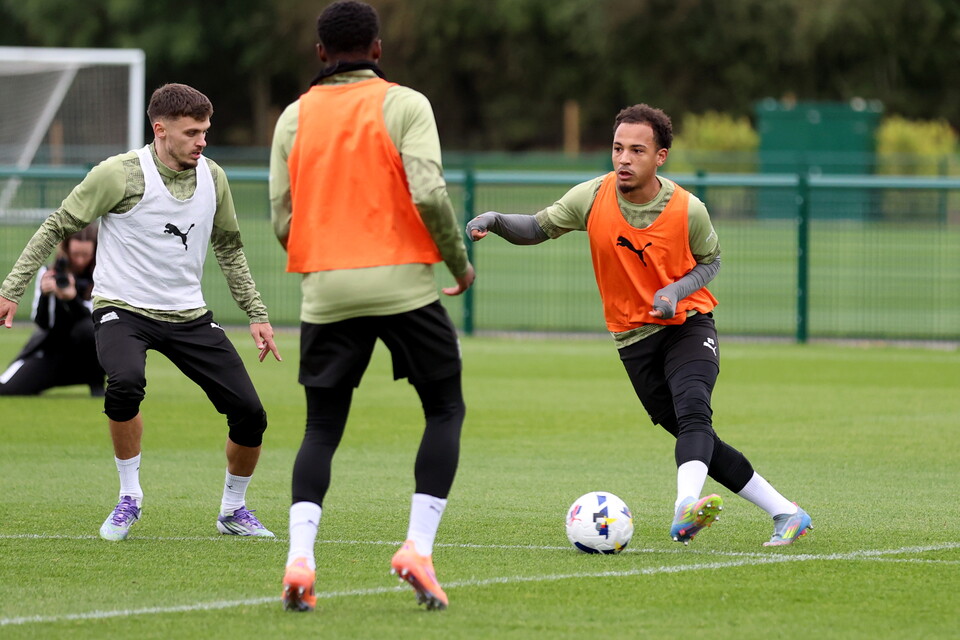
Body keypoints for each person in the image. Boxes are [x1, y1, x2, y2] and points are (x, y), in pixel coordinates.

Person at [468, 104, 812, 548]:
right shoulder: (591, 197)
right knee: (700, 439)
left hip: (688, 326)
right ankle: (787, 513)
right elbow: (537, 227)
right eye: (617, 148)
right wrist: (496, 221)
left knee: (693, 412)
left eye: (636, 150)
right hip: (632, 341)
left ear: (660, 156)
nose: (624, 159)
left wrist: (674, 291)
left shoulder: (689, 209)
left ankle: (684, 508)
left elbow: (711, 262)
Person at [0, 82, 281, 542]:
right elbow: (57, 225)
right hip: (122, 308)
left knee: (251, 414)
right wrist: (12, 288)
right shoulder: (118, 174)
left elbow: (229, 249)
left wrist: (257, 313)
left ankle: (233, 509)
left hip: (188, 313)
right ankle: (129, 497)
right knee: (126, 383)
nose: (202, 140)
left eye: (205, 131)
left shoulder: (214, 177)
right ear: (161, 130)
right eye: (192, 132)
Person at [270, 0, 475, 612]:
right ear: (378, 50)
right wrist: (457, 262)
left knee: (321, 428)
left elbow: (282, 216)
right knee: (444, 407)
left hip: (326, 291)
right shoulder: (406, 103)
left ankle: (299, 561)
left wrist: (324, 255)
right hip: (404, 286)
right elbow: (430, 191)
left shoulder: (293, 117)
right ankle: (417, 548)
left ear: (320, 54)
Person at [0, 225, 105, 396]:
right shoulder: (49, 272)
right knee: (7, 389)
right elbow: (42, 323)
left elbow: (98, 321)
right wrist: (45, 295)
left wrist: (72, 299)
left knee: (88, 330)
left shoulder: (102, 275)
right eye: (75, 254)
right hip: (53, 350)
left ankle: (96, 382)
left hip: (89, 356)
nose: (79, 260)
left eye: (85, 255)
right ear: (66, 249)